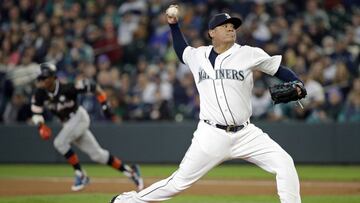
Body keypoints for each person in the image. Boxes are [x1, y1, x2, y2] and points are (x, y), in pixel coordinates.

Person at [110, 5, 305, 203]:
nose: (231, 29)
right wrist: (173, 24)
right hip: (211, 133)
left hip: (246, 133)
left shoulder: (248, 53)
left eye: (233, 26)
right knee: (178, 183)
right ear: (212, 32)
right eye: (225, 25)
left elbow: (278, 69)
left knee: (284, 163)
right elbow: (181, 50)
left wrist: (297, 82)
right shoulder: (199, 56)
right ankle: (126, 201)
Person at [31, 62, 144, 192]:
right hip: (68, 124)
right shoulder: (39, 94)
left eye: (44, 78)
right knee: (98, 155)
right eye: (40, 78)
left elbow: (94, 87)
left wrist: (104, 104)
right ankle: (131, 172)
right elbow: (36, 112)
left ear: (53, 77)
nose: (41, 81)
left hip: (79, 118)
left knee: (60, 142)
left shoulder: (67, 88)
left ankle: (81, 174)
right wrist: (40, 126)